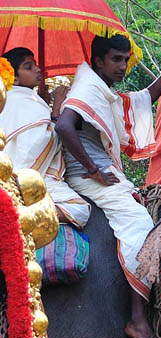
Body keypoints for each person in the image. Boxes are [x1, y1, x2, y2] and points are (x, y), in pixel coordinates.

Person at [56, 32, 161, 338]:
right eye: (116, 59)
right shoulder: (88, 88)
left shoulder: (101, 90)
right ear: (98, 60)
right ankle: (137, 320)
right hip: (90, 177)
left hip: (103, 175)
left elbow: (143, 99)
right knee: (141, 226)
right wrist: (92, 169)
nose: (122, 66)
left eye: (126, 60)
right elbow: (64, 126)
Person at [0, 48, 90, 226]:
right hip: (28, 175)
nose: (37, 69)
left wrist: (44, 104)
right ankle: (20, 216)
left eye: (35, 64)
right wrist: (55, 110)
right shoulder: (20, 100)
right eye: (29, 67)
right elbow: (37, 143)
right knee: (79, 209)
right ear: (14, 78)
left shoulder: (18, 99)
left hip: (12, 176)